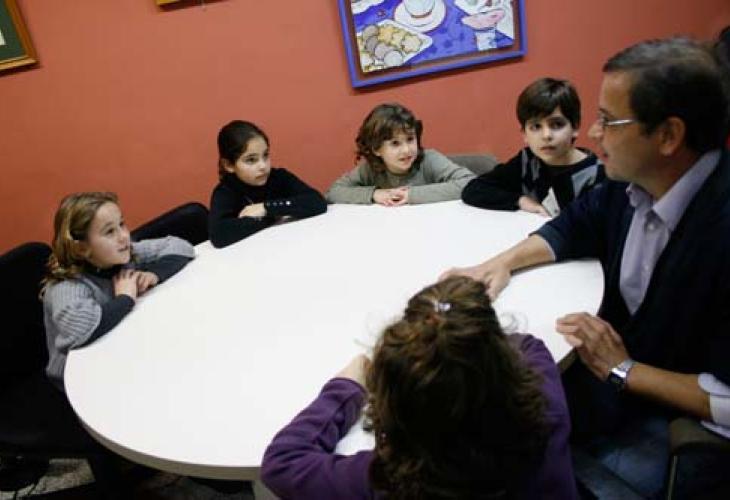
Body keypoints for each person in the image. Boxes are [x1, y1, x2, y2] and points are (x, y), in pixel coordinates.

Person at [443, 37, 730, 498]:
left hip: (662, 417)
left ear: (668, 136)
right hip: (610, 381)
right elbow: (572, 227)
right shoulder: (627, 184)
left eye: (608, 120)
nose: (594, 133)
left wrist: (623, 370)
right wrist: (499, 264)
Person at [261, 276, 578, 499]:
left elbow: (282, 462)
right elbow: (529, 346)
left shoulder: (388, 482)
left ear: (391, 401)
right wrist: (464, 339)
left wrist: (345, 387)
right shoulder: (546, 413)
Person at [42, 192, 195, 391]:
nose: (124, 236)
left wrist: (154, 274)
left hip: (122, 349)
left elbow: (180, 246)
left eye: (121, 224)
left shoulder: (125, 254)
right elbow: (81, 329)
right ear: (81, 249)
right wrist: (125, 298)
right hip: (82, 380)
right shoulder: (66, 286)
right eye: (109, 232)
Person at [462, 77, 604, 217]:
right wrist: (521, 201)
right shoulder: (527, 161)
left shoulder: (597, 175)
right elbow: (474, 189)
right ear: (524, 134)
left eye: (556, 124)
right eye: (536, 127)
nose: (546, 135)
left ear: (575, 127)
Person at [325, 103, 475, 205]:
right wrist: (374, 194)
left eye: (410, 139)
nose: (406, 150)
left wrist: (412, 195)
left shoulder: (429, 160)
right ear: (376, 149)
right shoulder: (370, 169)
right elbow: (333, 192)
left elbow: (470, 182)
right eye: (395, 143)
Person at [208, 120, 327, 248]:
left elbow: (316, 201)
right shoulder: (225, 192)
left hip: (288, 245)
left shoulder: (279, 177)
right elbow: (219, 235)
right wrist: (273, 216)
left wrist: (266, 208)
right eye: (251, 160)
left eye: (265, 155)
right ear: (228, 165)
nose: (263, 166)